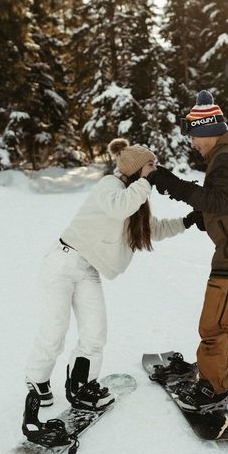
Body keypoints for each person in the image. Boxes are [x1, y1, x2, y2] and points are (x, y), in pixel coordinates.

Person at [25, 138, 196, 411]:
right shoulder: (110, 186)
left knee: (95, 332)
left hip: (88, 269)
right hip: (63, 262)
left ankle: (81, 385)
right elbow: (119, 207)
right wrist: (146, 183)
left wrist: (188, 221)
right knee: (55, 328)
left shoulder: (135, 197)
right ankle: (36, 379)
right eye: (151, 166)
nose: (156, 170)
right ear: (137, 168)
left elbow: (153, 229)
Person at [148, 91, 228, 412]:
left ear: (206, 130)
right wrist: (201, 217)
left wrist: (172, 184)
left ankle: (213, 390)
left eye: (192, 136)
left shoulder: (226, 157)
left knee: (212, 326)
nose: (191, 143)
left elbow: (219, 201)